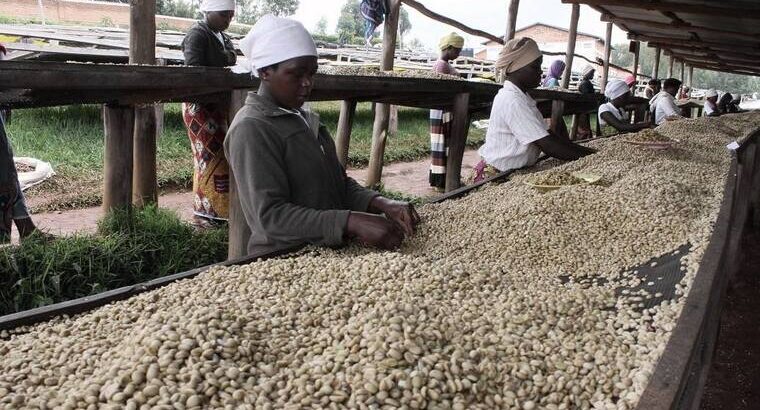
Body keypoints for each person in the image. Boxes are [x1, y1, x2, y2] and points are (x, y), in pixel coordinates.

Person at [225, 15, 420, 255]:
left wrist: (381, 203)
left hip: (328, 251)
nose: (307, 83)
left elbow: (338, 184)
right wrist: (350, 221)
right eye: (297, 74)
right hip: (285, 257)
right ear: (265, 71)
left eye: (312, 73)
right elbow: (271, 217)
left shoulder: (303, 118)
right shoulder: (252, 128)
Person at [472, 38, 595, 183]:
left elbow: (547, 135)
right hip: (496, 176)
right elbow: (547, 144)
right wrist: (592, 155)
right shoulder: (512, 100)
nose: (540, 72)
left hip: (512, 172)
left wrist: (584, 151)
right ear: (517, 68)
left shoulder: (523, 98)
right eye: (535, 67)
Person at [181, 0, 237, 228]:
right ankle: (207, 214)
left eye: (231, 16)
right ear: (209, 11)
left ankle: (219, 211)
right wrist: (223, 59)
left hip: (218, 106)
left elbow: (233, 57)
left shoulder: (222, 37)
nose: (228, 20)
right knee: (208, 159)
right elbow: (194, 68)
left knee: (223, 156)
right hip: (200, 108)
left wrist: (223, 58)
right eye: (224, 14)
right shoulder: (197, 34)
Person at [429, 32, 464, 191]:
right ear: (449, 48)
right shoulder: (441, 65)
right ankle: (441, 181)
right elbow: (441, 90)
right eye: (457, 50)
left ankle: (442, 179)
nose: (458, 54)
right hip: (442, 110)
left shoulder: (445, 64)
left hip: (443, 110)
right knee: (443, 144)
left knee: (443, 145)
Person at [576, 65, 596, 139]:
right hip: (583, 109)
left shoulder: (586, 82)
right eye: (591, 73)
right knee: (584, 128)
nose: (593, 75)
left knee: (585, 125)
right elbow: (586, 96)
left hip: (584, 109)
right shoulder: (585, 83)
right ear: (587, 73)